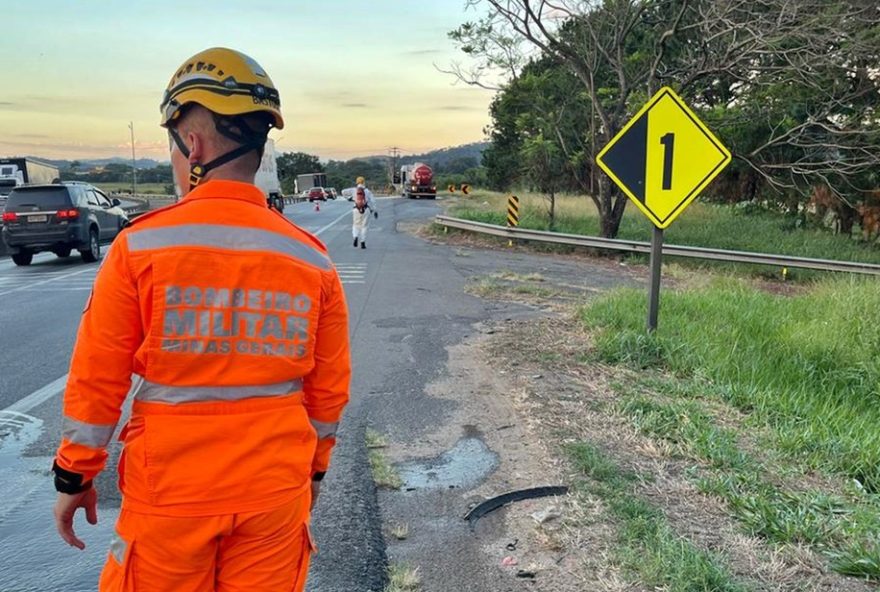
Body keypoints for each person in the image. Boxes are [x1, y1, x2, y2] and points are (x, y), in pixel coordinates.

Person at [51, 47, 351, 592]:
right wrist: (315, 473)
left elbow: (98, 376)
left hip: (171, 495)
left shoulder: (140, 245)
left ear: (192, 145)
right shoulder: (312, 260)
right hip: (275, 492)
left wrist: (75, 473)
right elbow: (327, 393)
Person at [352, 180, 378, 249]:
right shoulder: (367, 191)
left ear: (357, 182)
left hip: (356, 209)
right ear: (363, 182)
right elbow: (373, 201)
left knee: (355, 225)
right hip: (366, 210)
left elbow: (343, 192)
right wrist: (375, 211)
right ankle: (362, 242)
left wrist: (350, 198)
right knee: (364, 226)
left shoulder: (354, 190)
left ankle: (355, 237)